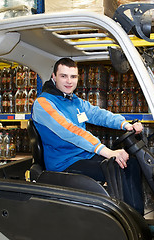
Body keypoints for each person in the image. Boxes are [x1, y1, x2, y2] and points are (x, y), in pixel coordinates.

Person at [32, 57, 144, 214]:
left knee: (130, 164)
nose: (69, 81)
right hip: (65, 163)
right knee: (118, 168)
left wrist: (125, 124)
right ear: (54, 77)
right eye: (63, 76)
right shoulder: (43, 103)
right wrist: (107, 152)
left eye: (73, 76)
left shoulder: (74, 101)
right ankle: (128, 220)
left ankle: (136, 217)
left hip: (84, 156)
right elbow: (70, 131)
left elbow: (98, 114)